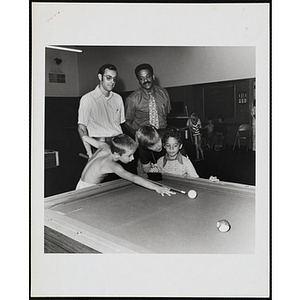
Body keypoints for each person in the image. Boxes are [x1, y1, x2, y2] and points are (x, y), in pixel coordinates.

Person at [75, 134, 175, 197]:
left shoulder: (104, 146)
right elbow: (134, 178)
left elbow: (85, 137)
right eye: (129, 155)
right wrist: (157, 188)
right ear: (118, 155)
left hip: (81, 183)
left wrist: (90, 154)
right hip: (87, 191)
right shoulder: (111, 165)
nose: (132, 158)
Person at [77, 63, 125, 158]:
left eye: (114, 79)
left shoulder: (118, 98)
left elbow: (120, 124)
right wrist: (90, 154)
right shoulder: (88, 98)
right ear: (100, 77)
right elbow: (82, 128)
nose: (112, 82)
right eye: (108, 78)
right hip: (99, 145)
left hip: (118, 144)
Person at [124, 63, 171, 137]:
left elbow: (167, 114)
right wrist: (139, 137)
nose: (145, 80)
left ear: (153, 77)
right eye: (141, 78)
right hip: (144, 137)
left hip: (162, 135)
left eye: (148, 76)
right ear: (138, 81)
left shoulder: (164, 93)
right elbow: (127, 123)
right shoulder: (132, 99)